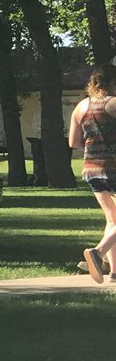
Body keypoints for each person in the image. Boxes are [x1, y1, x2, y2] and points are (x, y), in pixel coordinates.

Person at [68, 66, 116, 282]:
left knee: (112, 219)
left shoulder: (81, 106)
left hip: (91, 168)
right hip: (113, 166)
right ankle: (97, 252)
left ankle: (114, 272)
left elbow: (73, 142)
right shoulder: (113, 103)